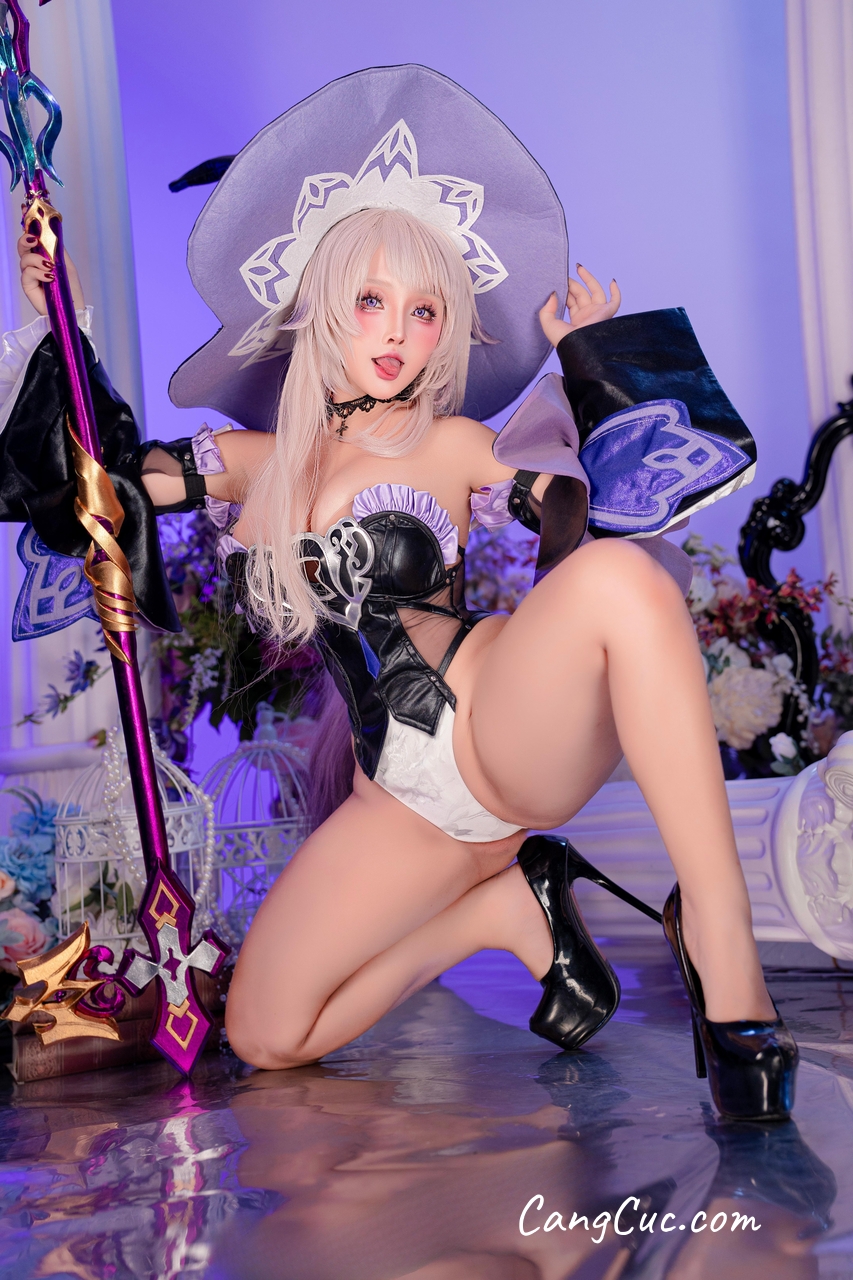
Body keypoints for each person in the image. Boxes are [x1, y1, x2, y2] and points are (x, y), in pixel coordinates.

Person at [1, 65, 796, 1120]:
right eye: (371, 300)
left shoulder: (455, 443)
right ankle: (506, 913)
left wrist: (588, 360)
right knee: (265, 1033)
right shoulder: (249, 461)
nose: (395, 331)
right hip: (401, 801)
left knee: (622, 575)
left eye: (423, 310)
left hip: (496, 726)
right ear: (320, 305)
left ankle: (723, 949)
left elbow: (609, 509)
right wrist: (54, 316)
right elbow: (92, 484)